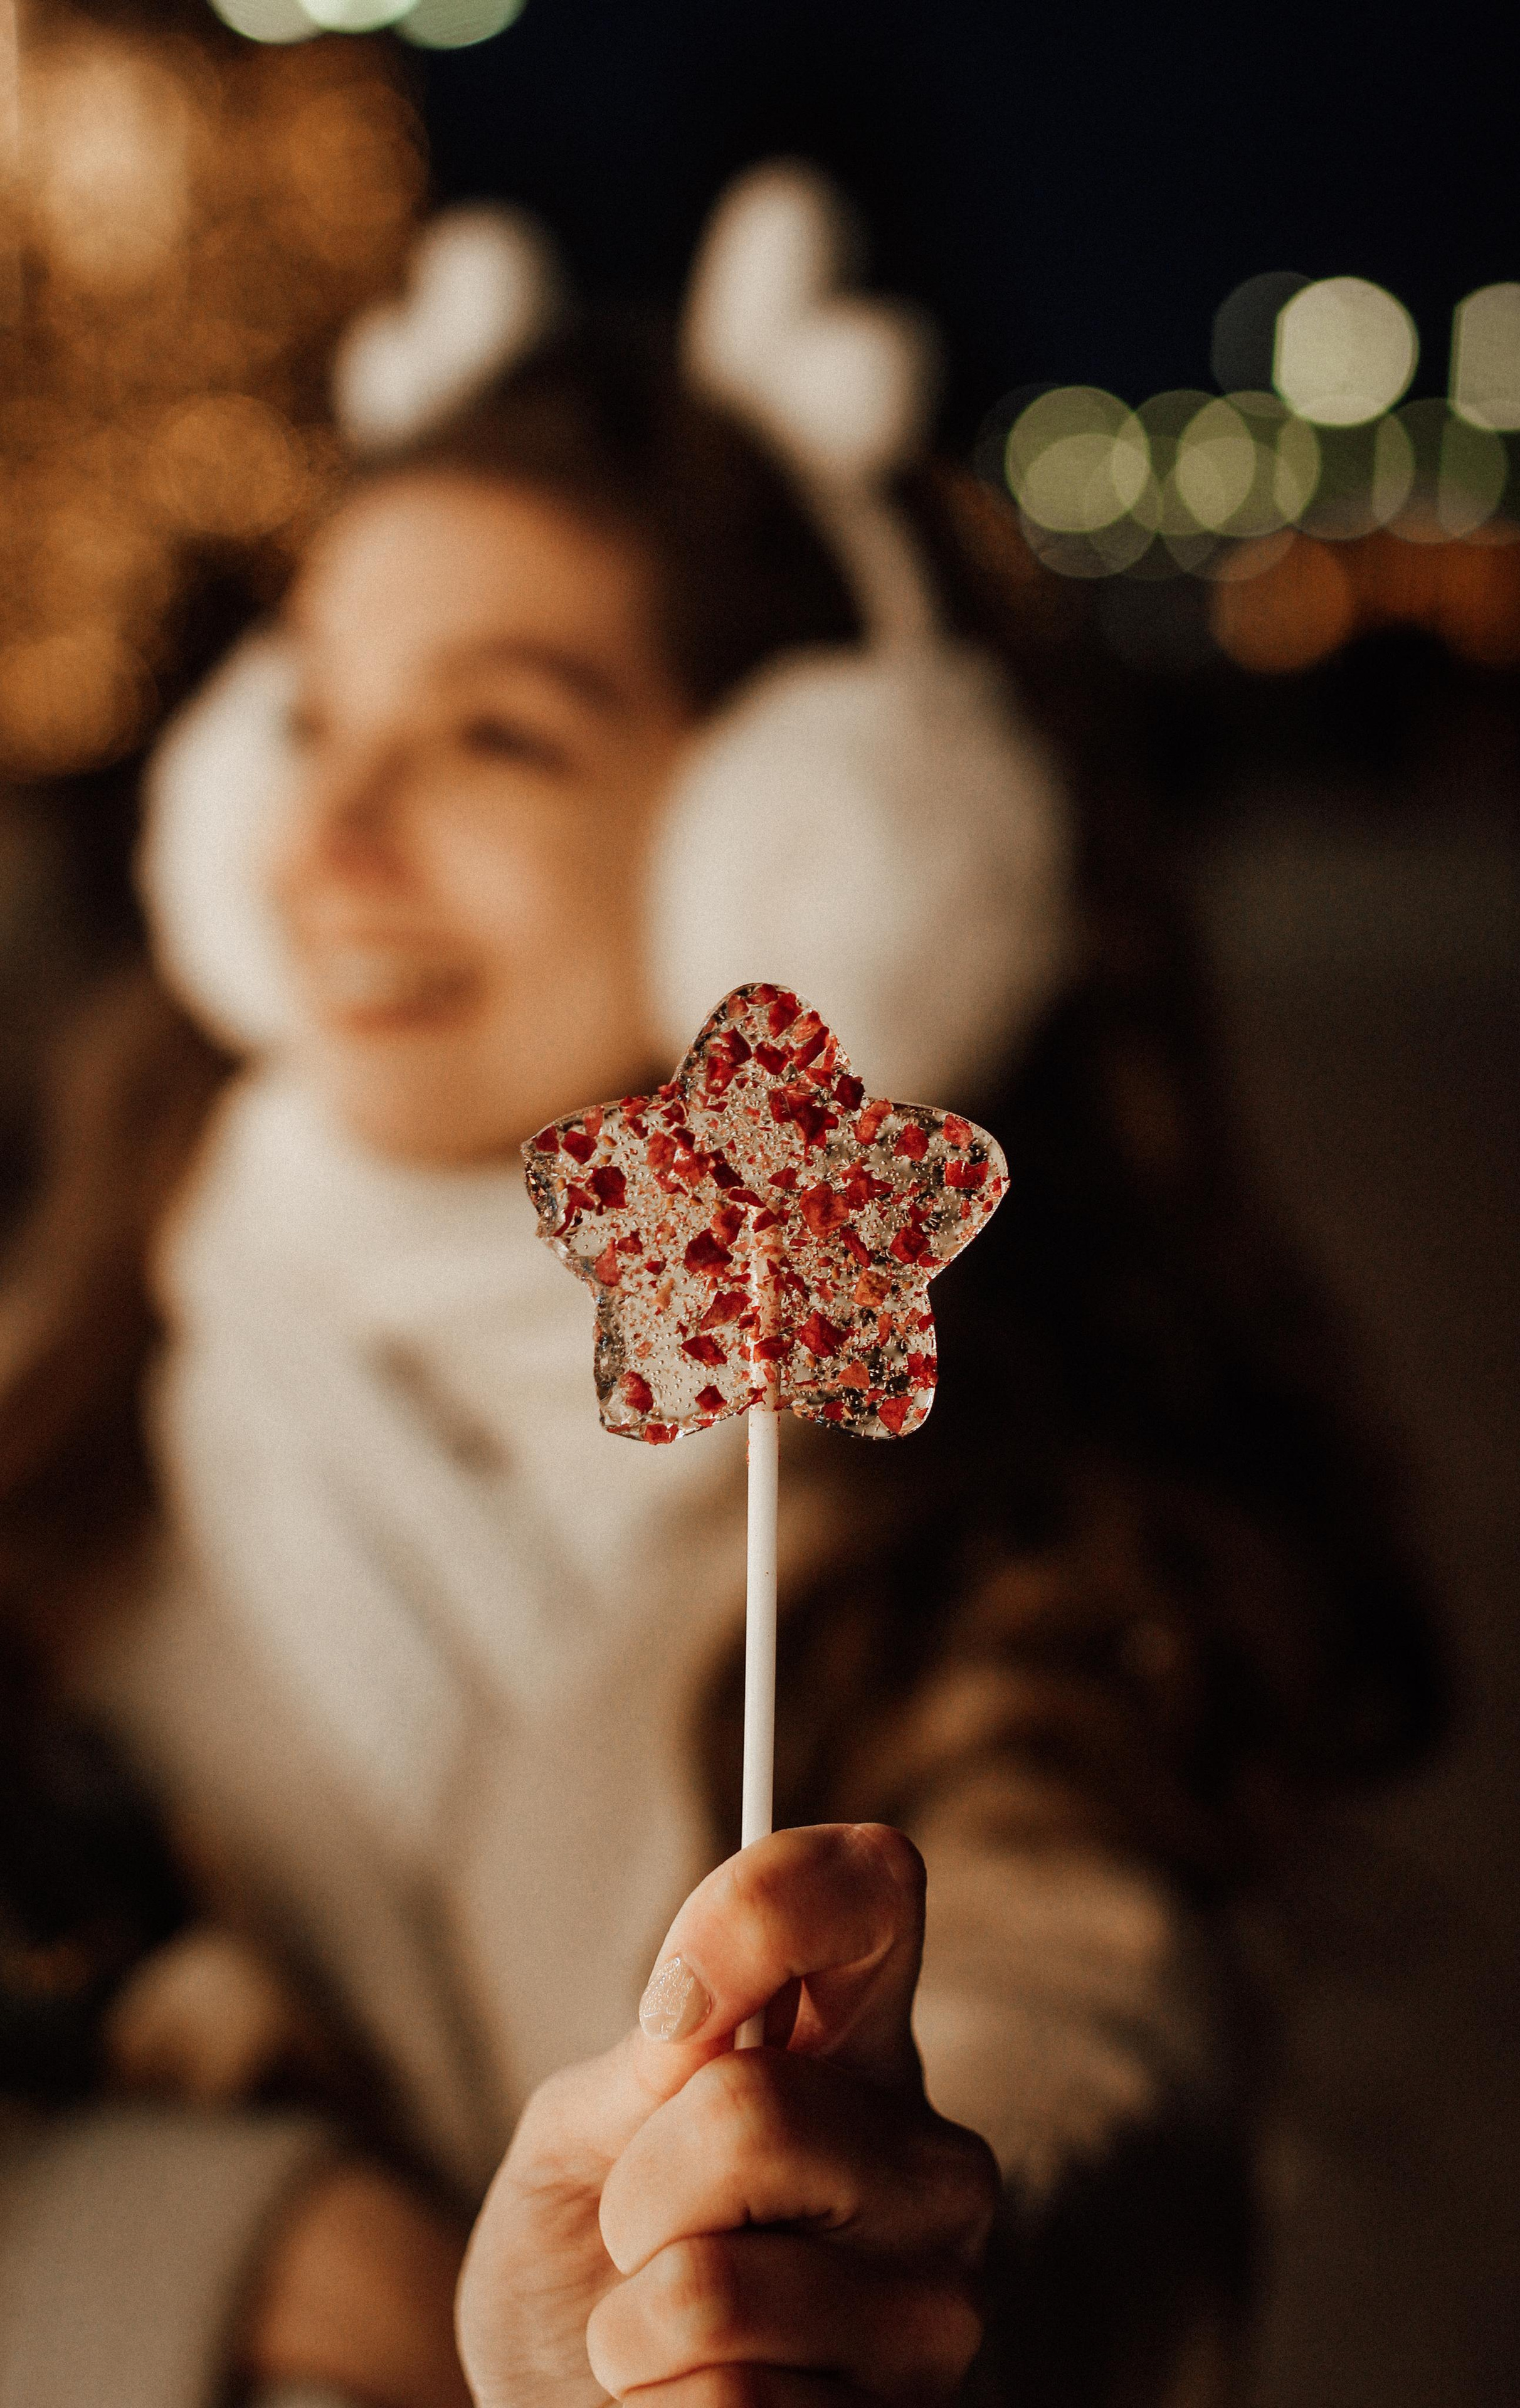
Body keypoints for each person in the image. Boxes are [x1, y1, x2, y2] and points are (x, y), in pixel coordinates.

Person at [0, 174, 1441, 2407]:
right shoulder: (70, 1376)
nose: (332, 841)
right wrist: (225, 2246)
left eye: (496, 734)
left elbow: (1084, 2045)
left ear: (813, 850)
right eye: (309, 722)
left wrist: (889, 2280)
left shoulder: (994, 1509)